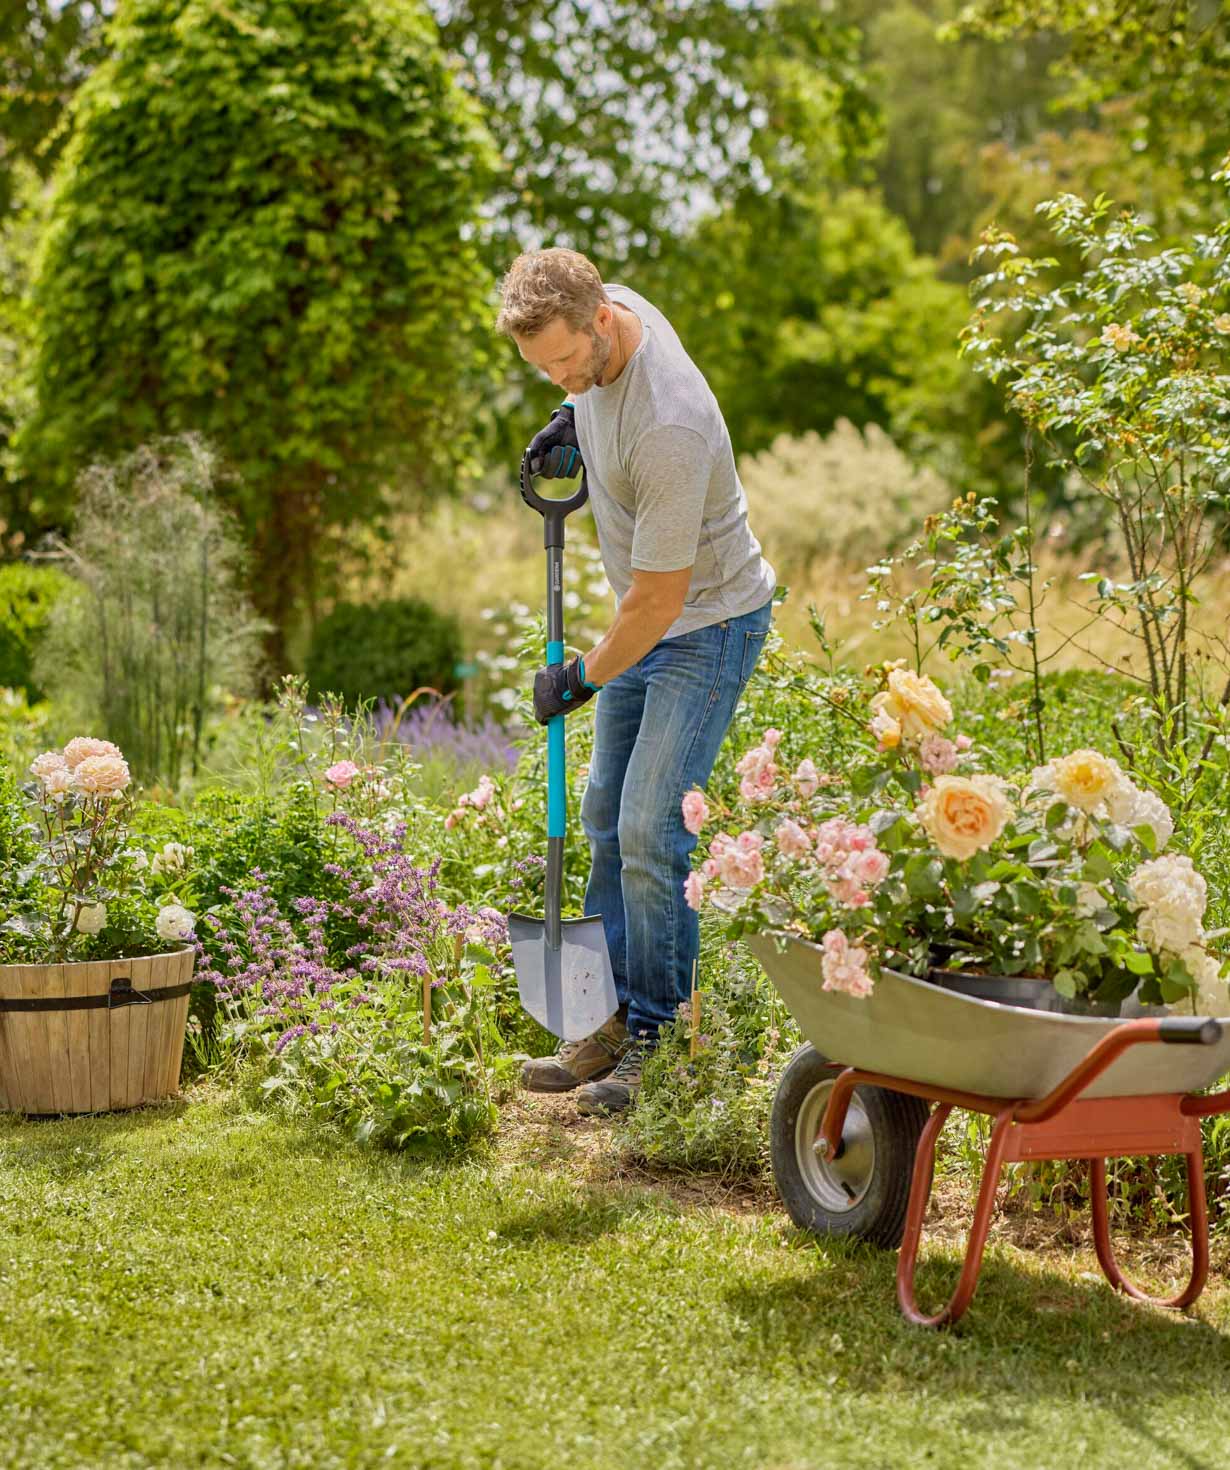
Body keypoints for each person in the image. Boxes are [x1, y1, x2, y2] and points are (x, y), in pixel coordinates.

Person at [496, 248, 775, 1114]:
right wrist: (570, 412)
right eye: (541, 368)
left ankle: (659, 1042)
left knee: (652, 826)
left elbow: (658, 604)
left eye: (565, 361)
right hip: (646, 621)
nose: (560, 375)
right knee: (602, 812)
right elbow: (583, 382)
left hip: (705, 626)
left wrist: (576, 679)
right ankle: (606, 1021)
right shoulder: (604, 310)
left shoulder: (671, 425)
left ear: (601, 323)